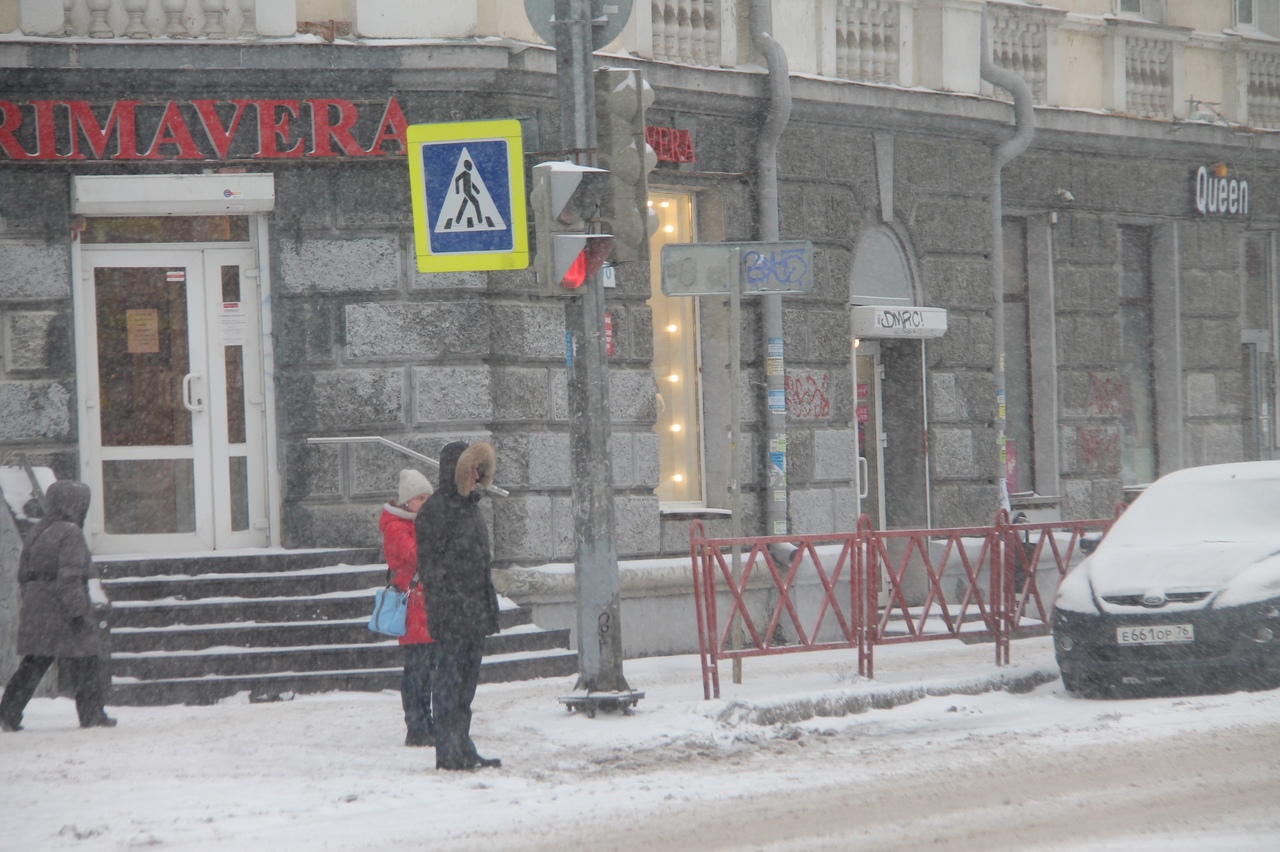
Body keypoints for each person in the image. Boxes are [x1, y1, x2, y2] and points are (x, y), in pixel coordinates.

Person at [0, 480, 116, 731]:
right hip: (63, 608)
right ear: (75, 504)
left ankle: (8, 712)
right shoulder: (70, 532)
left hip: (38, 608)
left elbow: (23, 574)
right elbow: (70, 578)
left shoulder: (39, 530)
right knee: (87, 659)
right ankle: (92, 714)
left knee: (34, 663)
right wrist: (77, 612)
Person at [416, 441, 502, 771]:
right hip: (453, 614)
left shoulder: (470, 507)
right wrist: (447, 608)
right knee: (449, 685)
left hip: (474, 611)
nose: (478, 476)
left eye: (481, 470)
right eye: (473, 469)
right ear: (459, 471)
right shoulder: (436, 511)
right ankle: (448, 749)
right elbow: (432, 569)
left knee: (466, 686)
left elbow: (478, 561)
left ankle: (462, 745)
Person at [379, 469, 436, 747]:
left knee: (427, 671)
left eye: (428, 497)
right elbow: (418, 556)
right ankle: (416, 727)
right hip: (413, 606)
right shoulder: (396, 527)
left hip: (427, 606)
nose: (426, 503)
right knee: (416, 670)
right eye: (420, 498)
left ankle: (427, 723)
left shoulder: (419, 524)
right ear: (406, 502)